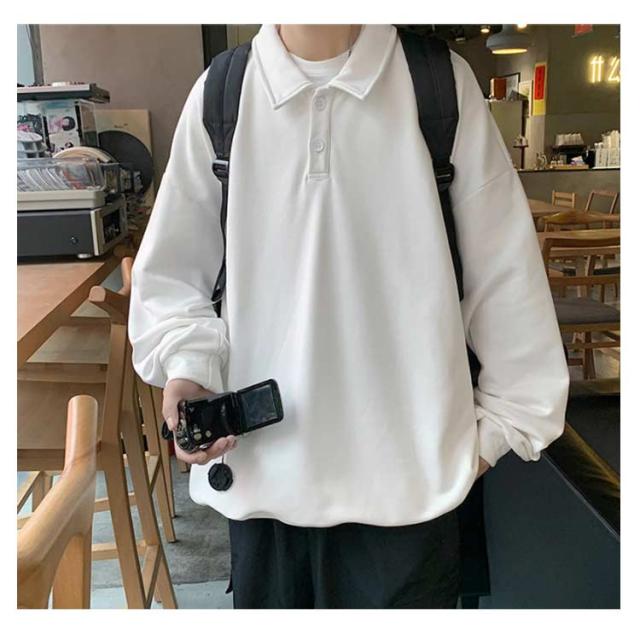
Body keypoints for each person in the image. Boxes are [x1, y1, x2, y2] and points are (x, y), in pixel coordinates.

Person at [129, 23, 570, 609]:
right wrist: (188, 368)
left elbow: (506, 279)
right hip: (264, 486)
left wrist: (488, 439)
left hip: (411, 498)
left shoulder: (436, 84)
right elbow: (172, 273)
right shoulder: (223, 91)